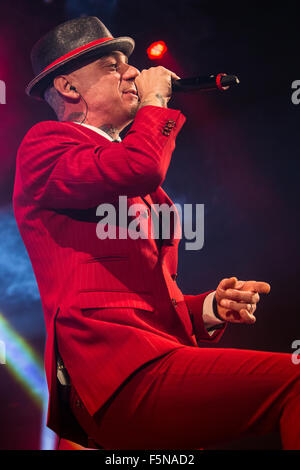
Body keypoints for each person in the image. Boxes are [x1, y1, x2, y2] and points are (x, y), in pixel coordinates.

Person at [13, 16, 300, 450]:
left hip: (156, 357)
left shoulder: (138, 185)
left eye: (127, 63)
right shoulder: (45, 146)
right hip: (115, 370)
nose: (132, 72)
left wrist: (208, 309)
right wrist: (155, 103)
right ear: (70, 88)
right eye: (112, 66)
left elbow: (142, 295)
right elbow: (141, 167)